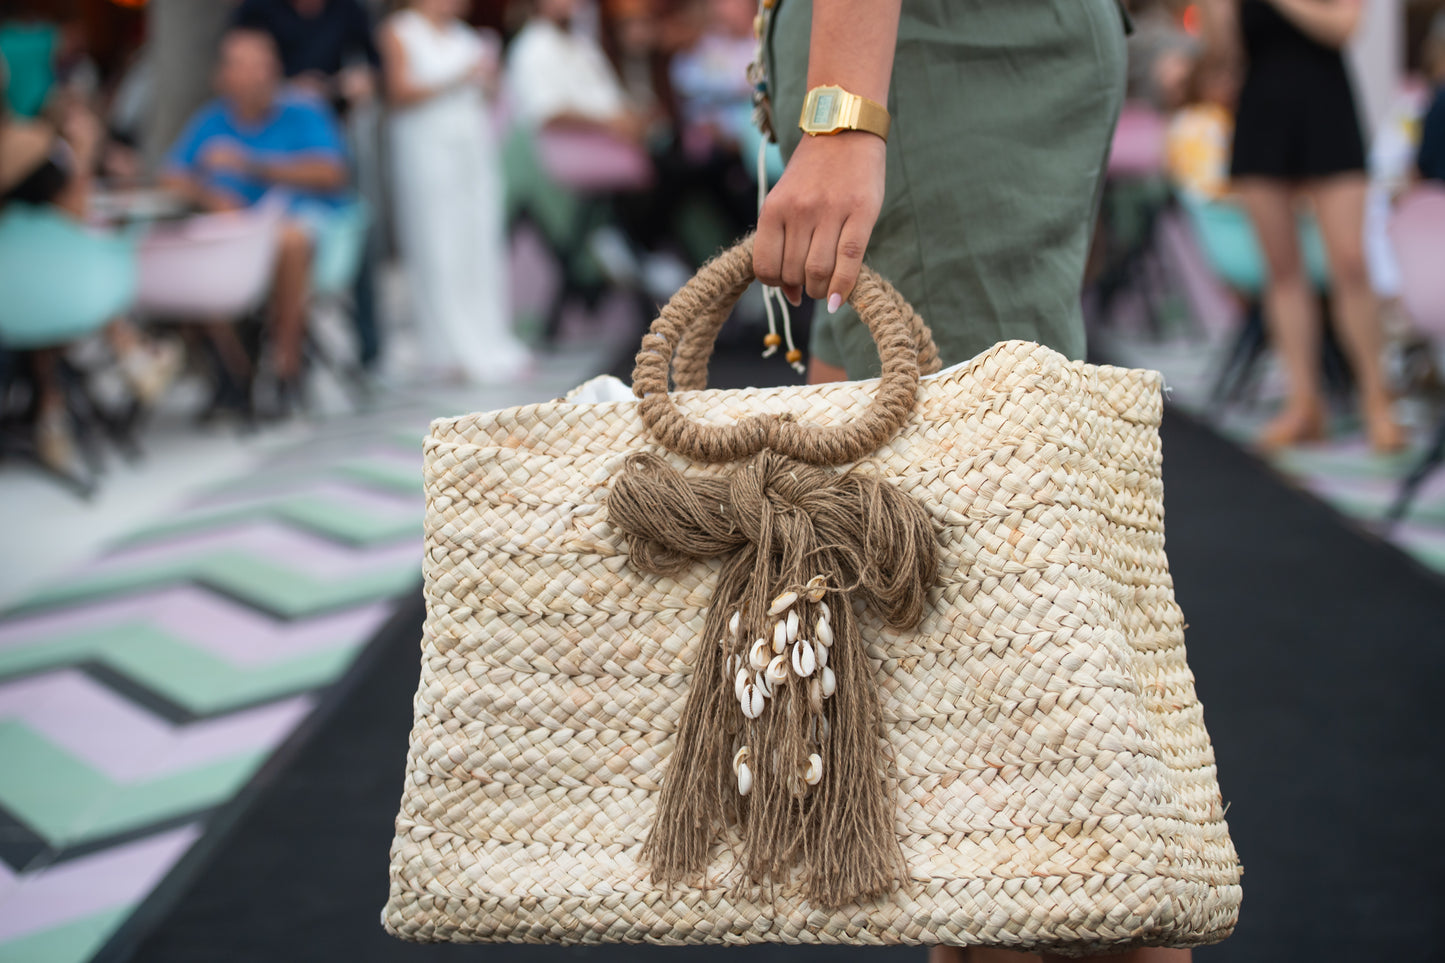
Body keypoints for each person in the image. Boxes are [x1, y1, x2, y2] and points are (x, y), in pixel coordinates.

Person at [752, 0, 1128, 393]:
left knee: (974, 429)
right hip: (890, 61)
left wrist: (840, 126)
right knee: (858, 423)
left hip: (927, 69)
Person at [1199, 0, 1405, 452]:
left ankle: (1377, 399)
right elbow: (1225, 58)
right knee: (1282, 270)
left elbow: (1343, 27)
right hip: (1261, 110)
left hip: (1327, 105)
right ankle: (1304, 404)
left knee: (1351, 262)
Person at [160, 28, 350, 396]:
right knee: (193, 255)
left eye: (264, 65)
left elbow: (332, 172)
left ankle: (285, 365)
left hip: (304, 229)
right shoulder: (212, 119)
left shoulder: (302, 111)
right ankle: (234, 374)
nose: (258, 75)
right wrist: (207, 195)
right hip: (237, 239)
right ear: (223, 76)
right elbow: (172, 176)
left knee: (289, 239)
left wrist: (252, 165)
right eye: (245, 66)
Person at [0, 104, 180, 473]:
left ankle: (52, 408)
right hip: (65, 296)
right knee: (62, 283)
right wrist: (83, 152)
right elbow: (77, 211)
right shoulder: (33, 148)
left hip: (13, 304)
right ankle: (130, 350)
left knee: (40, 304)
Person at [379, 0, 532, 384]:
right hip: (427, 150)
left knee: (477, 242)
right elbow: (397, 93)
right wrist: (458, 76)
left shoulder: (468, 37)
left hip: (471, 149)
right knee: (438, 243)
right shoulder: (400, 31)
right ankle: (446, 346)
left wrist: (488, 79)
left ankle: (487, 334)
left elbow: (489, 97)